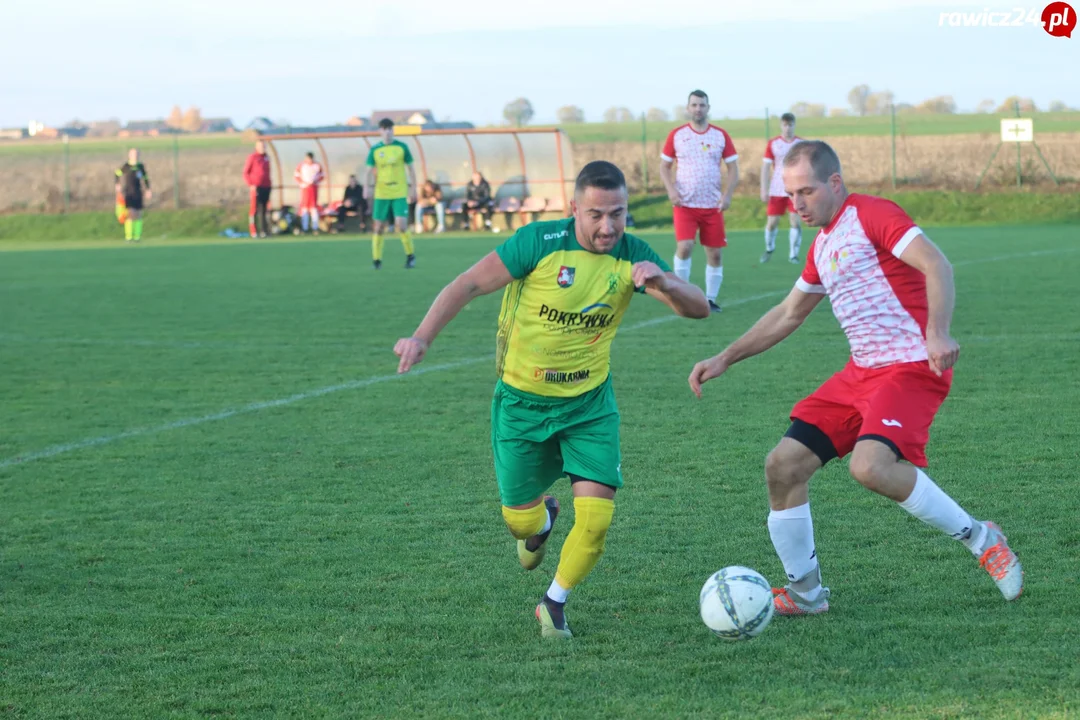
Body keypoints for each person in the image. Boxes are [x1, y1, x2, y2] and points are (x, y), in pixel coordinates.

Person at [688, 140, 1023, 616]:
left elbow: (936, 264)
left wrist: (938, 331)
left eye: (806, 191)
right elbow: (788, 314)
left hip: (910, 367)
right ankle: (806, 595)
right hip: (860, 373)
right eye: (790, 195)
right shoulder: (822, 245)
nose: (797, 204)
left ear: (835, 183)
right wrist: (725, 357)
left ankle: (981, 537)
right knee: (783, 466)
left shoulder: (872, 215)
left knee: (869, 466)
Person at [394, 161, 709, 639]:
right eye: (596, 215)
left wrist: (663, 281)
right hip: (522, 403)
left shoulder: (634, 255)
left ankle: (553, 603)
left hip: (589, 405)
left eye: (618, 214)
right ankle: (541, 522)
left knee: (598, 518)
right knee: (519, 524)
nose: (608, 227)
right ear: (574, 210)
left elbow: (699, 308)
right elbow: (468, 284)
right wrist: (421, 338)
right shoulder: (537, 243)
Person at [660, 89, 739, 313]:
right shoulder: (677, 135)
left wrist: (728, 194)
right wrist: (671, 190)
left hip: (713, 206)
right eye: (694, 105)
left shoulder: (720, 135)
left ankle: (710, 299)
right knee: (684, 247)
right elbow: (664, 166)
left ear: (708, 108)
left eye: (702, 105)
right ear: (688, 108)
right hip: (684, 204)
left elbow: (733, 168)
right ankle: (682, 295)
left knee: (714, 253)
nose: (698, 109)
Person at [365, 118, 418, 269]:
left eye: (390, 128)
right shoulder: (375, 150)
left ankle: (410, 255)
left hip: (399, 191)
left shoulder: (402, 147)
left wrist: (413, 188)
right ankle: (376, 260)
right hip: (381, 193)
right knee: (378, 227)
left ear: (393, 130)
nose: (388, 131)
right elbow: (369, 170)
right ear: (380, 131)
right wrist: (366, 187)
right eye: (384, 129)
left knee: (401, 225)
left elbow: (411, 169)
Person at [761, 113, 804, 264]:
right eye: (785, 125)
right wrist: (764, 189)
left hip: (795, 189)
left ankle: (793, 254)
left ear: (794, 125)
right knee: (772, 222)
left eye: (790, 125)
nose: (788, 128)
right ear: (781, 125)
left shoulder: (800, 143)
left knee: (795, 221)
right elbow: (766, 167)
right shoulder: (773, 143)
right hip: (777, 189)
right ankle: (769, 247)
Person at [115, 148, 151, 243]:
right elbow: (117, 174)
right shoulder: (126, 166)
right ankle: (129, 236)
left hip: (138, 193)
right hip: (129, 193)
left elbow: (145, 178)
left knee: (138, 214)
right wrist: (117, 184)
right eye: (133, 154)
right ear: (129, 155)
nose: (135, 156)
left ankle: (137, 236)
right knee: (130, 214)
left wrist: (148, 189)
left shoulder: (140, 166)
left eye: (136, 154)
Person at [244, 140, 272, 238]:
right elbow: (246, 173)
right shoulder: (253, 157)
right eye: (260, 146)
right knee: (254, 209)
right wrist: (251, 185)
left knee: (264, 209)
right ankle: (253, 231)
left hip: (266, 186)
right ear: (256, 147)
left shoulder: (266, 157)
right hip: (256, 187)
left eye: (264, 146)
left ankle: (264, 231)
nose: (262, 148)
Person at [294, 152, 324, 234]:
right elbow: (296, 176)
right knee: (304, 209)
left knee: (313, 208)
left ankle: (315, 227)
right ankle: (305, 227)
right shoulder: (301, 165)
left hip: (313, 189)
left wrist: (315, 181)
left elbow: (322, 176)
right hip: (305, 189)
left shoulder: (317, 165)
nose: (309, 160)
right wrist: (303, 183)